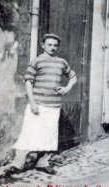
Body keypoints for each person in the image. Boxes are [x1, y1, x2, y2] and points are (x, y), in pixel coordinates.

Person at [5, 33, 77, 176]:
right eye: (49, 45)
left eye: (55, 45)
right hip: (37, 105)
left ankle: (43, 163)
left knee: (48, 135)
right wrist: (32, 103)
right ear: (43, 45)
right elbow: (28, 82)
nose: (52, 48)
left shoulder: (61, 62)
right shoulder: (36, 61)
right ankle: (18, 163)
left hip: (54, 105)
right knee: (29, 133)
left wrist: (67, 88)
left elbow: (73, 77)